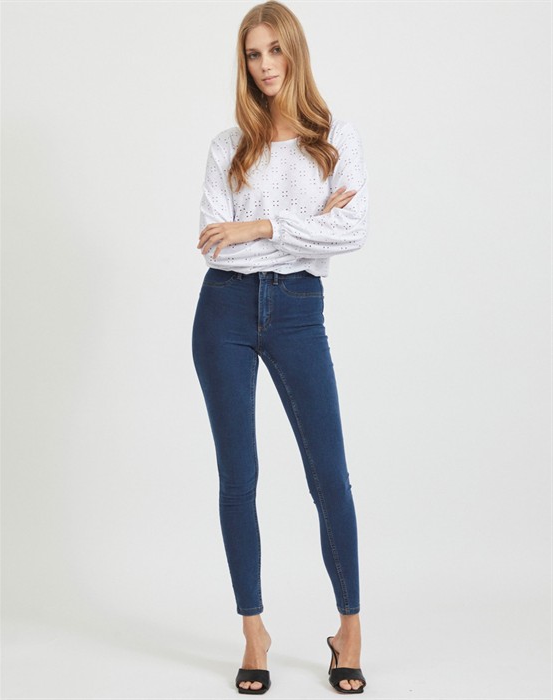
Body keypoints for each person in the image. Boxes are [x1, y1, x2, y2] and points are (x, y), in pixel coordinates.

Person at [192, 0, 369, 694]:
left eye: (275, 50)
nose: (265, 65)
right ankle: (253, 631)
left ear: (294, 51)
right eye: (253, 54)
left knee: (330, 476)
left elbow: (353, 231)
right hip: (224, 313)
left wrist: (259, 225)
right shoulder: (227, 147)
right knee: (238, 478)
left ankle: (349, 630)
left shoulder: (334, 138)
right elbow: (217, 245)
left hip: (297, 312)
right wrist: (305, 224)